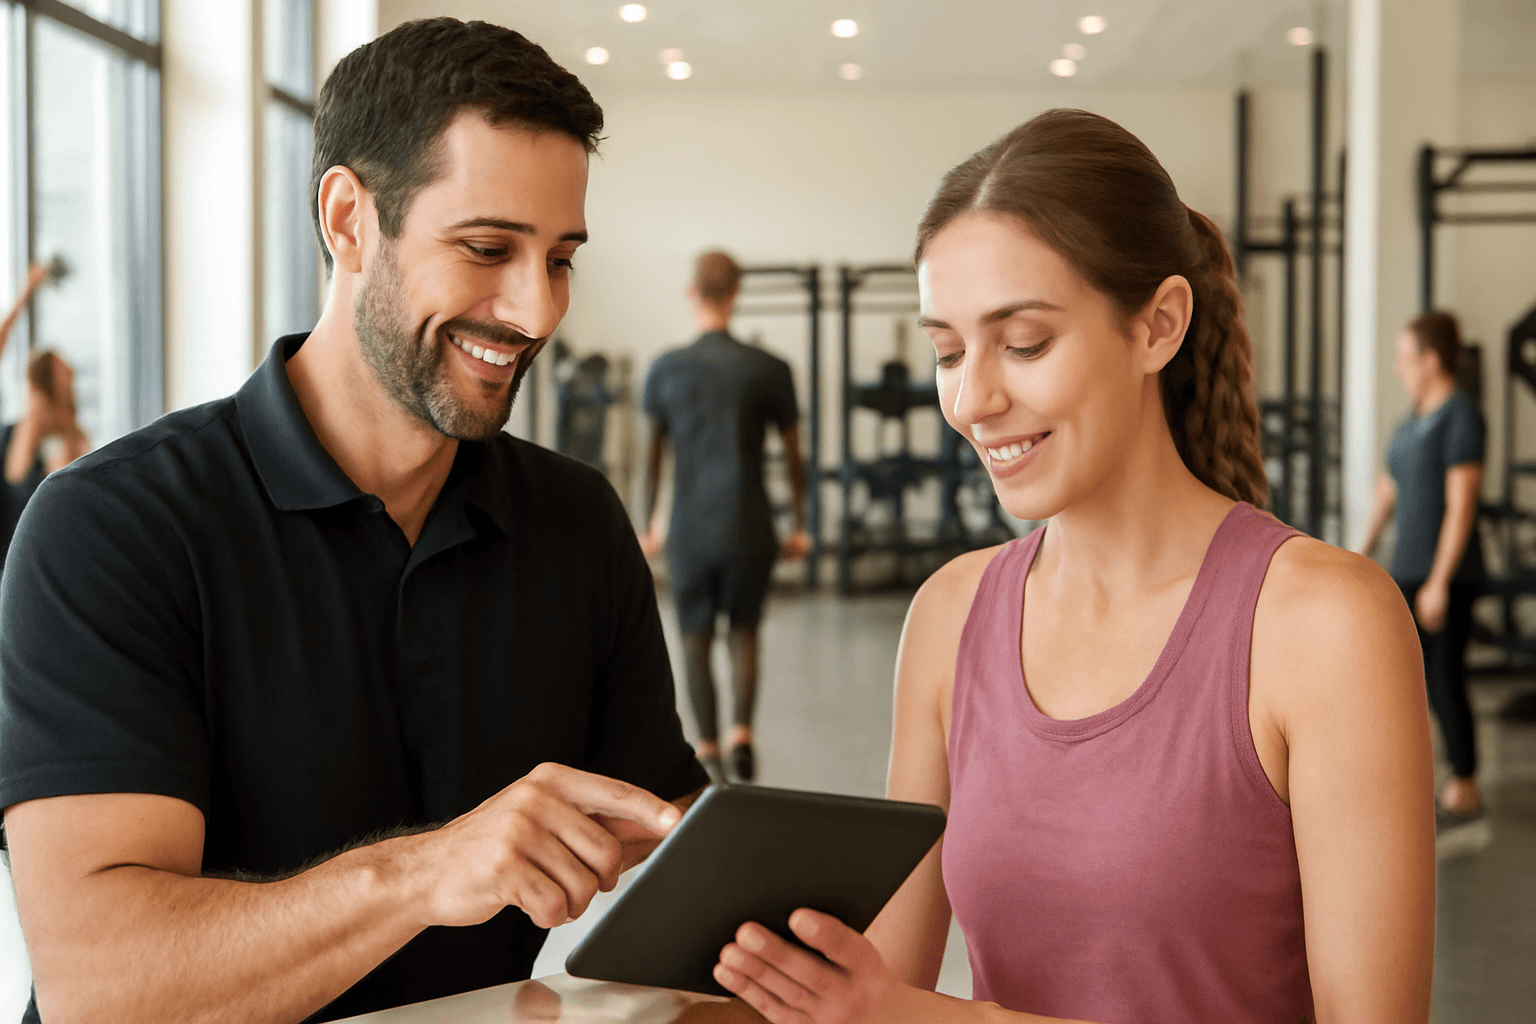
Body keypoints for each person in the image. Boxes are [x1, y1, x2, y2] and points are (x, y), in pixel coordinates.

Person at [0, 19, 706, 1024]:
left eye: (559, 259)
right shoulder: (112, 528)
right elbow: (102, 988)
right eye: (488, 248)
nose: (538, 311)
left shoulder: (575, 520)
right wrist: (425, 871)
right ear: (348, 219)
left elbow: (666, 830)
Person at [710, 109, 1435, 1024]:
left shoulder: (1325, 624)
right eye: (947, 351)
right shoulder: (949, 614)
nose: (972, 400)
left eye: (1023, 343)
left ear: (1159, 326)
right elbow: (879, 995)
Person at [641, 251, 810, 783]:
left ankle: (710, 751)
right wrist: (799, 525)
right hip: (749, 525)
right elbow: (794, 456)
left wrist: (650, 524)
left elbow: (654, 458)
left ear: (692, 293)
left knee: (694, 638)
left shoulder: (665, 369)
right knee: (744, 631)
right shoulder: (770, 369)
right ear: (736, 295)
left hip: (689, 528)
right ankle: (742, 733)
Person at [1357, 311, 1486, 821]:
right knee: (1405, 682)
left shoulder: (1460, 417)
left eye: (1404, 357)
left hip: (1447, 575)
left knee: (1444, 678)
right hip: (1406, 570)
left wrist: (1439, 581)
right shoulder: (1409, 423)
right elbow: (1385, 493)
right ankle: (1418, 779)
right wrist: (1355, 555)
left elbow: (1462, 504)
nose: (1398, 368)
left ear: (1431, 362)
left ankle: (1466, 781)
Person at [0, 263, 88, 570]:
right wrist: (26, 292)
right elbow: (17, 472)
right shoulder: (26, 434)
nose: (71, 379)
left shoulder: (66, 440)